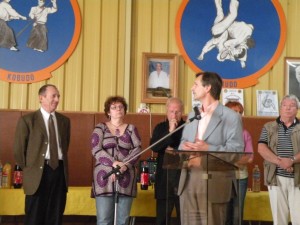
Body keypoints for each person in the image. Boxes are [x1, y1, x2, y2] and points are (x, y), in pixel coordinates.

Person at [177, 71, 244, 225]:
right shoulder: (192, 115)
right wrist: (185, 147)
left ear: (207, 88)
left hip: (214, 182)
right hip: (188, 180)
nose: (192, 88)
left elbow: (236, 151)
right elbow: (182, 143)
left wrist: (208, 148)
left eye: (195, 85)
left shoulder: (231, 117)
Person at [13, 84, 71, 225]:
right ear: (41, 98)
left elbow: (65, 146)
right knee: (34, 217)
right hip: (37, 175)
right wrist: (31, 168)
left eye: (58, 96)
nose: (57, 99)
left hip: (59, 173)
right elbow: (19, 151)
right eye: (53, 96)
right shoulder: (27, 120)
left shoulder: (65, 121)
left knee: (55, 215)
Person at [91, 96, 142, 225]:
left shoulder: (132, 129)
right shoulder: (100, 127)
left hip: (126, 178)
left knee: (123, 220)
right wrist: (114, 164)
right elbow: (96, 149)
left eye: (121, 107)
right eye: (114, 107)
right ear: (108, 112)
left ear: (124, 110)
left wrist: (124, 165)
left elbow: (138, 149)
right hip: (104, 179)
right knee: (103, 220)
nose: (118, 109)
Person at [258, 94, 300, 225]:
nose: (288, 108)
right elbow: (261, 148)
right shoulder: (268, 126)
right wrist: (280, 162)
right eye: (285, 105)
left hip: (298, 179)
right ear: (280, 108)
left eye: (292, 106)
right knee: (279, 219)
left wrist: (292, 160)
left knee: (298, 218)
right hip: (275, 178)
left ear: (297, 109)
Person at [150, 97, 185, 225]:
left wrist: (172, 148)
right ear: (166, 112)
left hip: (183, 179)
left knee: (184, 219)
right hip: (164, 180)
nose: (174, 115)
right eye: (171, 111)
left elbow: (188, 148)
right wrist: (170, 131)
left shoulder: (189, 127)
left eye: (177, 111)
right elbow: (155, 147)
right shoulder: (160, 127)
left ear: (182, 112)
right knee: (162, 219)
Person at [197, 0, 255, 68]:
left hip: (218, 31)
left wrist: (202, 53)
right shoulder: (241, 42)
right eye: (240, 50)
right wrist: (243, 63)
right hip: (224, 26)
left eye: (238, 52)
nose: (239, 50)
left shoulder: (226, 50)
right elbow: (243, 49)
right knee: (221, 14)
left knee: (232, 15)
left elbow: (212, 46)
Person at [225, 101, 254, 225]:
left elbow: (250, 157)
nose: (238, 115)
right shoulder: (219, 133)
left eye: (239, 112)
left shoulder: (245, 134)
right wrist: (238, 159)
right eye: (234, 112)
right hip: (223, 178)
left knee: (238, 214)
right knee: (224, 212)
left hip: (241, 178)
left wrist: (230, 159)